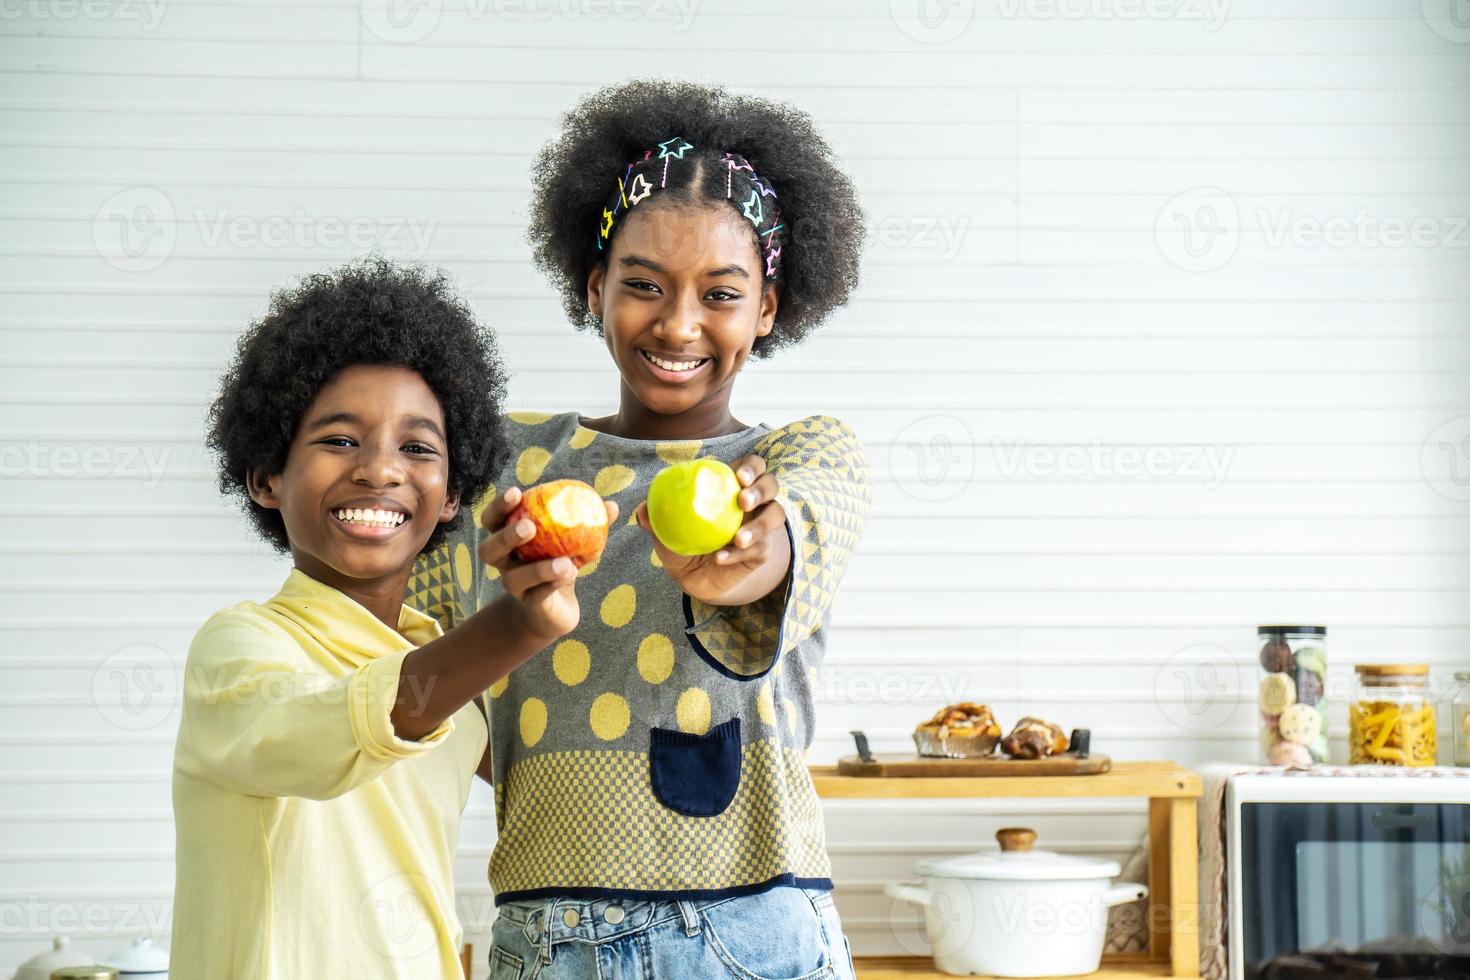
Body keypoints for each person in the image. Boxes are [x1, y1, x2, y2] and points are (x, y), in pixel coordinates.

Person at [410, 79, 871, 979]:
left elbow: (785, 543)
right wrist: (506, 638)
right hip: (549, 928)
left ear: (768, 309)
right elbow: (415, 692)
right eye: (645, 285)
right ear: (594, 288)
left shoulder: (796, 458)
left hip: (756, 932)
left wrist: (742, 562)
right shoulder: (502, 468)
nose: (678, 323)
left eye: (722, 294)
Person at [172, 258, 611, 978]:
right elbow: (351, 722)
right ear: (266, 476)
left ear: (449, 498)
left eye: (417, 447)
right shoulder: (240, 650)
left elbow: (559, 785)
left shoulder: (450, 680)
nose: (380, 469)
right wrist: (518, 626)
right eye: (340, 439)